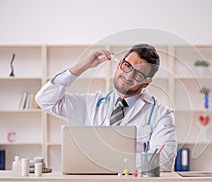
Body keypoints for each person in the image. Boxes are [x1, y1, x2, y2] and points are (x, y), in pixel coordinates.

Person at [35, 44, 177, 171]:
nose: (128, 75)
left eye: (138, 74)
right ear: (119, 64)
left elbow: (164, 162)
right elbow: (44, 100)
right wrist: (83, 66)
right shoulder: (91, 103)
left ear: (146, 83)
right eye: (127, 66)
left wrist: (110, 161)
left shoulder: (161, 114)